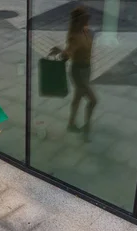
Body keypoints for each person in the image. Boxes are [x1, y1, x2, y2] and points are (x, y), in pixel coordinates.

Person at [50, 6, 97, 142]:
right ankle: (86, 129)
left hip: (87, 70)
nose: (88, 18)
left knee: (77, 97)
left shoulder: (86, 31)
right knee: (93, 101)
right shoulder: (75, 37)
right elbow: (68, 53)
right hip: (78, 72)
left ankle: (71, 124)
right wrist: (61, 52)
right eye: (85, 17)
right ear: (79, 20)